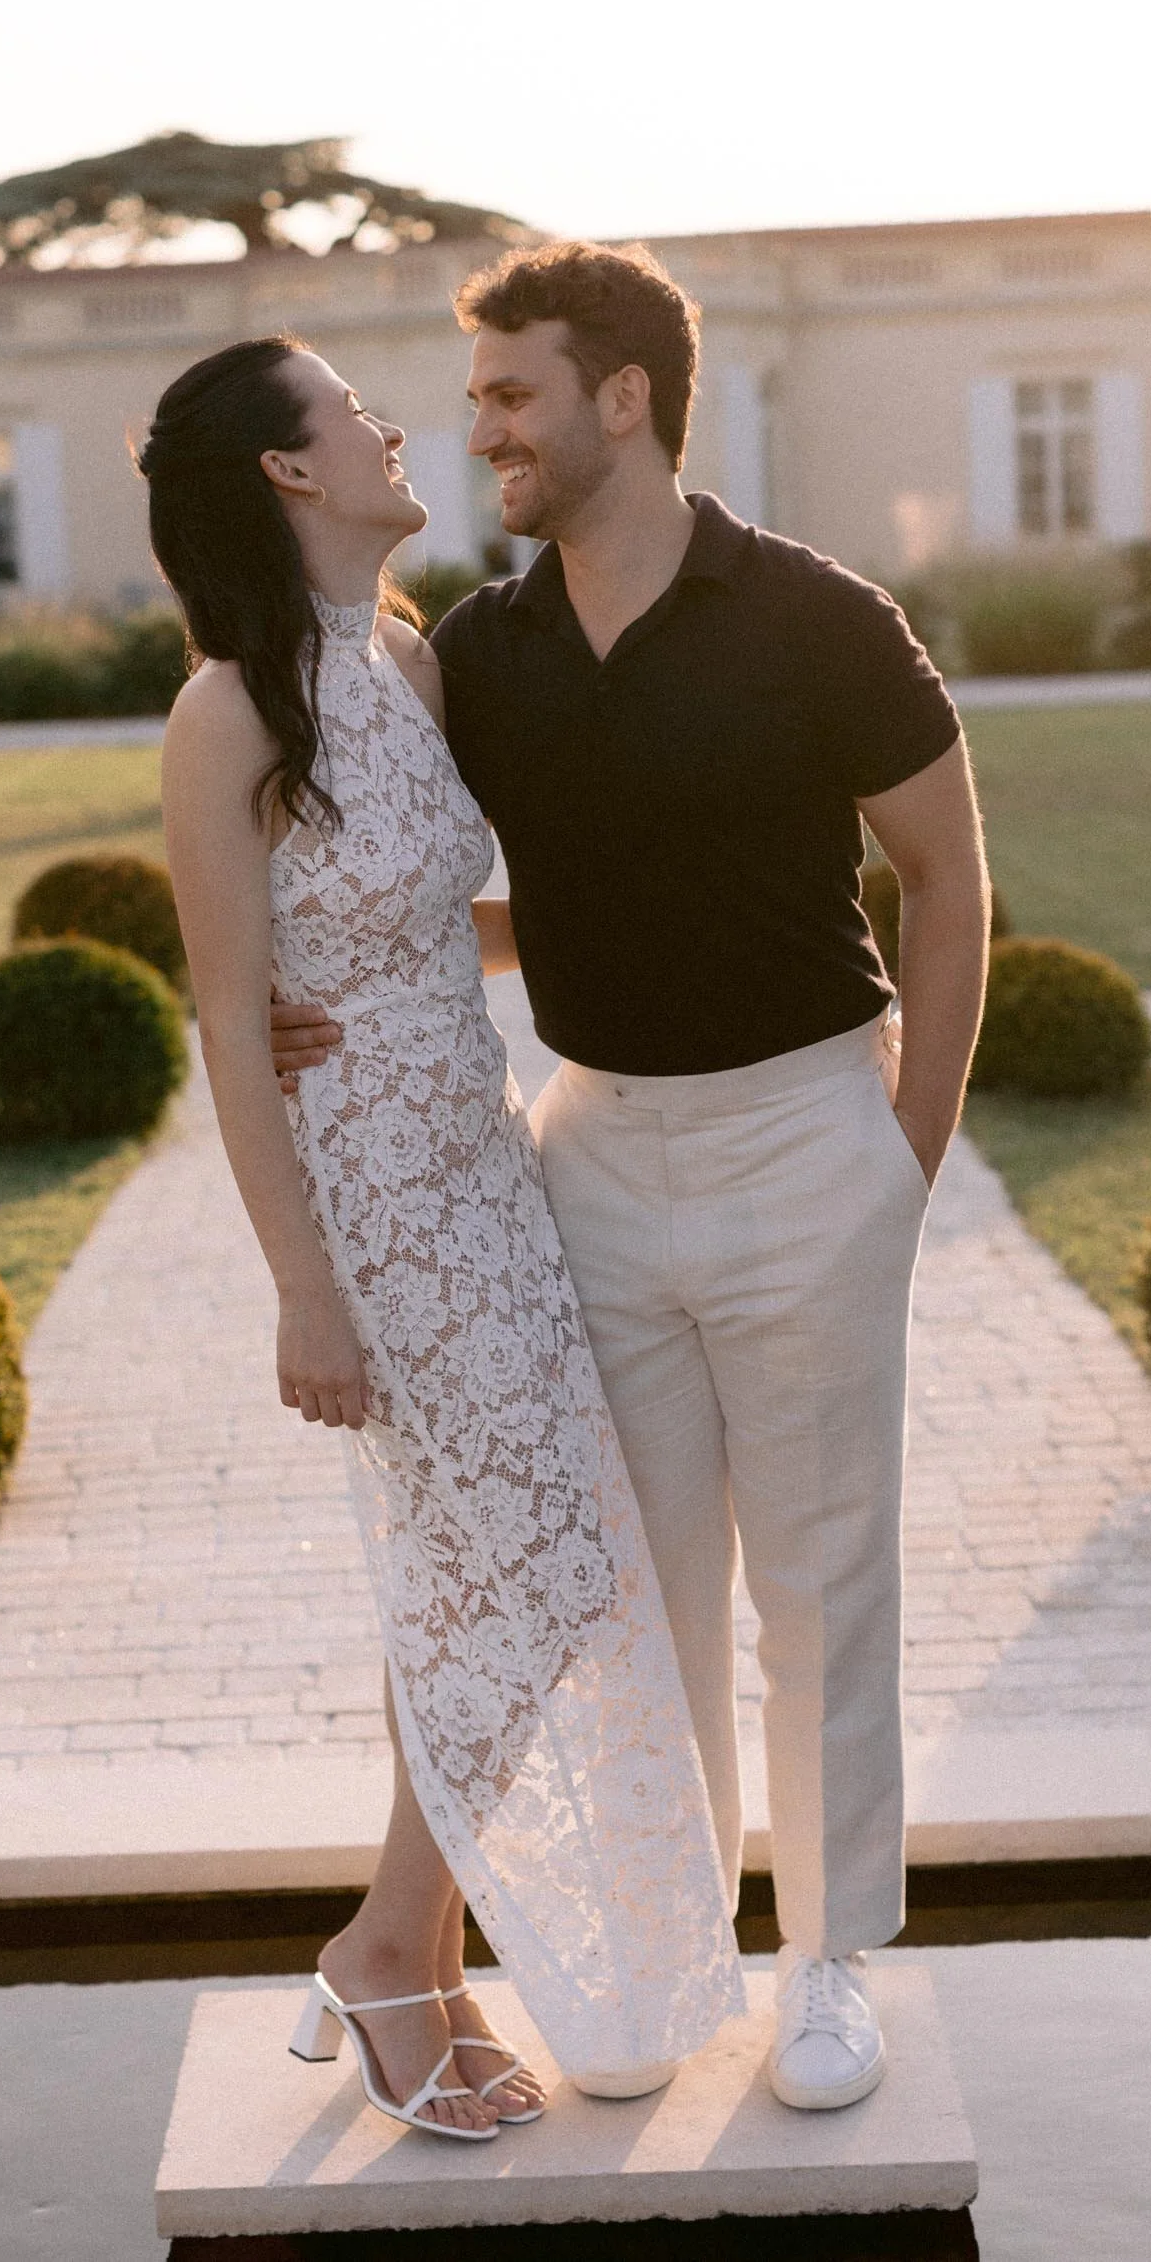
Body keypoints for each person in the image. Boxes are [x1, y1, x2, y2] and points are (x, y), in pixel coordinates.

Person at [272, 241, 991, 2112]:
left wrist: (900, 1155)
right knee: (634, 1589)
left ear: (622, 399)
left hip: (803, 1134)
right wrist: (310, 992)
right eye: (476, 394)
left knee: (819, 1580)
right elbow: (430, 885)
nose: (479, 427)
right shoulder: (482, 659)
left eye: (512, 394)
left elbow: (943, 879)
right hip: (587, 1152)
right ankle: (668, 1958)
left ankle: (825, 1964)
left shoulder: (822, 618)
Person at [149, 336, 742, 2145]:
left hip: (484, 1164)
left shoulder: (402, 657)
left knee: (535, 1558)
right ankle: (396, 1942)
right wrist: (302, 1295)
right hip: (375, 1204)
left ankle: (396, 1938)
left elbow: (425, 918)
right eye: (354, 409)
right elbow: (232, 1024)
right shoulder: (229, 711)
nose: (398, 425)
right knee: (514, 1558)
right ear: (287, 471)